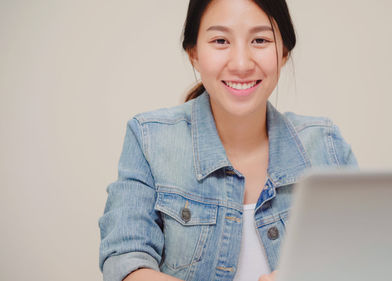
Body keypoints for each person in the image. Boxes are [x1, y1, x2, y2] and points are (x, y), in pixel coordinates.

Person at [98, 0, 357, 281]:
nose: (242, 63)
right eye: (221, 40)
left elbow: (363, 255)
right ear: (194, 53)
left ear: (284, 53)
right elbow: (125, 261)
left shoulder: (326, 146)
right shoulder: (149, 138)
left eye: (260, 40)